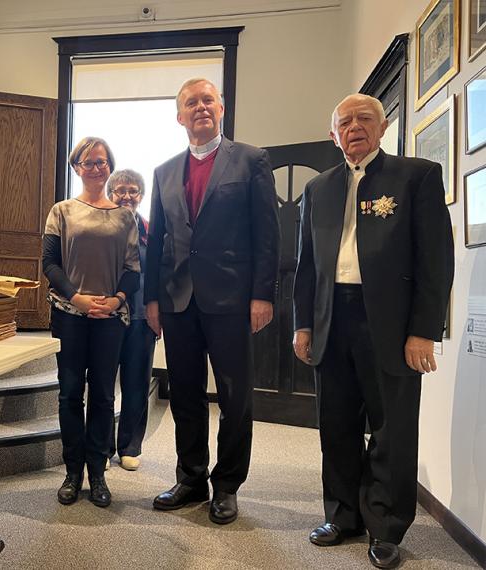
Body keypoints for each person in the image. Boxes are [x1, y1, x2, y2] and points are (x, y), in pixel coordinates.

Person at [293, 94, 454, 569]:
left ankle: (385, 527)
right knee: (336, 424)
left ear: (383, 128)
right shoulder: (317, 188)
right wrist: (303, 323)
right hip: (331, 319)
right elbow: (306, 265)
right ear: (333, 135)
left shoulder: (416, 176)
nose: (355, 127)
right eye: (345, 122)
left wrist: (423, 331)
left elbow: (435, 261)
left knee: (391, 428)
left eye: (365, 118)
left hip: (390, 323)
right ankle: (342, 516)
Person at [144, 78, 280, 524]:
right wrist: (151, 300)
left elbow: (267, 234)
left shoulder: (251, 160)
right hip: (178, 300)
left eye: (208, 100)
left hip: (232, 299)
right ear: (179, 116)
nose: (200, 107)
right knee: (184, 393)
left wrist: (262, 294)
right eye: (191, 102)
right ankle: (190, 478)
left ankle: (227, 485)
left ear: (221, 109)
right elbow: (157, 241)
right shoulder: (164, 171)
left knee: (235, 397)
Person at [43, 137, 140, 508]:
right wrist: (77, 298)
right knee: (70, 393)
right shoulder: (62, 211)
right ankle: (72, 473)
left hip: (109, 318)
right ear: (76, 167)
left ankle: (97, 473)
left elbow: (133, 270)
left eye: (102, 162)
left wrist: (116, 300)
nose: (96, 168)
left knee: (102, 395)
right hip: (69, 314)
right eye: (89, 162)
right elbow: (50, 264)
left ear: (109, 166)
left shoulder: (125, 217)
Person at [106, 169, 156, 471]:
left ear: (141, 195)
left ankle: (130, 446)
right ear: (110, 194)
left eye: (133, 190)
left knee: (136, 384)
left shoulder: (152, 230)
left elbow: (161, 274)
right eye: (120, 190)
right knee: (102, 385)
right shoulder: (100, 227)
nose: (127, 196)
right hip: (107, 316)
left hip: (141, 317)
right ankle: (101, 448)